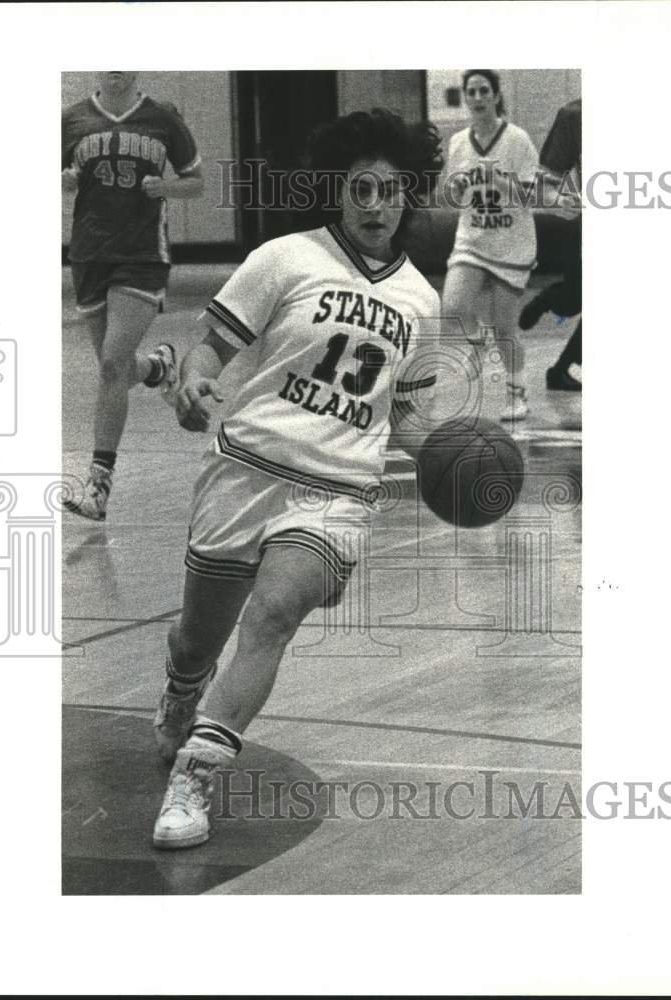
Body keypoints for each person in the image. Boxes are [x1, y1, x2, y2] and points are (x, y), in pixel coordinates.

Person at [151, 108, 443, 849]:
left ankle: (197, 776)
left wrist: (452, 457)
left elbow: (406, 414)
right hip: (245, 469)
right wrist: (193, 384)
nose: (376, 205)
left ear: (410, 194)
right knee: (197, 639)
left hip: (336, 491)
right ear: (338, 193)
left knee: (273, 617)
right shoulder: (284, 259)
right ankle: (183, 687)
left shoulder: (423, 301)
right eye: (361, 190)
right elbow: (211, 349)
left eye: (390, 190)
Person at [62, 72, 204, 520]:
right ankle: (159, 367)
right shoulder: (71, 119)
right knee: (117, 369)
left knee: (109, 364)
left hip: (142, 253)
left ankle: (98, 486)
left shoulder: (162, 118)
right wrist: (64, 178)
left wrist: (166, 187)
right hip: (88, 254)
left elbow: (196, 180)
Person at [442, 69, 539, 423]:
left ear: (496, 96)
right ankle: (479, 344)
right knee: (452, 306)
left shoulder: (517, 139)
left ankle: (518, 394)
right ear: (465, 98)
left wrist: (494, 177)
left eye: (485, 91)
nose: (478, 98)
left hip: (512, 244)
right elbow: (452, 198)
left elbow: (531, 195)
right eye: (472, 92)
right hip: (472, 239)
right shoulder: (457, 143)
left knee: (505, 330)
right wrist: (461, 184)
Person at [518, 98, 582, 391]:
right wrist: (565, 203)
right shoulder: (574, 115)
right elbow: (545, 182)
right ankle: (553, 299)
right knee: (577, 299)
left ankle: (562, 369)